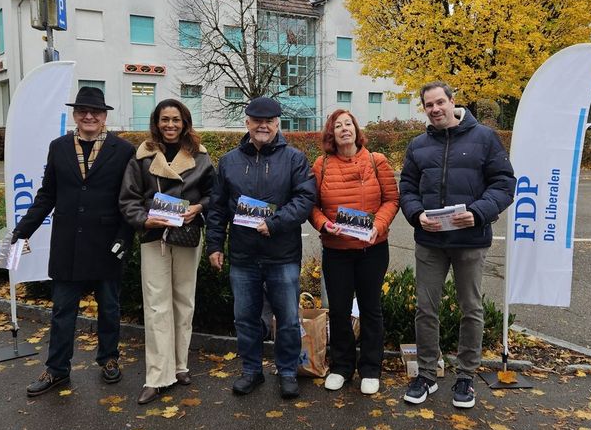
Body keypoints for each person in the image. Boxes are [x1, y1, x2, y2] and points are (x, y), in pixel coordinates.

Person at [12, 85, 135, 396]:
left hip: (108, 243)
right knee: (63, 311)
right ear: (75, 115)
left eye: (95, 112)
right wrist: (22, 229)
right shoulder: (59, 147)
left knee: (109, 307)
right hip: (68, 244)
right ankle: (57, 370)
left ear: (105, 116)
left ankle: (108, 358)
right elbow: (47, 195)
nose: (89, 116)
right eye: (83, 111)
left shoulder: (123, 150)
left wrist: (124, 238)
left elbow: (129, 199)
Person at [399, 81, 515, 409]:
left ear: (452, 102)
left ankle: (465, 377)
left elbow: (505, 183)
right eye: (428, 105)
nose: (435, 109)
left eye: (440, 102)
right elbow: (406, 187)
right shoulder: (418, 145)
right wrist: (416, 214)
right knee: (426, 309)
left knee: (471, 309)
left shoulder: (485, 138)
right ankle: (426, 374)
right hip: (430, 242)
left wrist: (478, 213)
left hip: (470, 240)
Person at [206, 96, 316, 399]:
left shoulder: (295, 159)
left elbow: (305, 200)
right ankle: (251, 371)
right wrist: (215, 244)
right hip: (243, 256)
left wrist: (275, 223)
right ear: (247, 123)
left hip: (282, 255)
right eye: (257, 120)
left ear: (277, 123)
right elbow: (217, 208)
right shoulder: (229, 161)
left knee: (288, 318)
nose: (262, 125)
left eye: (268, 121)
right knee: (245, 318)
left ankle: (289, 370)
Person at [119, 99, 215, 405]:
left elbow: (216, 194)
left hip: (187, 235)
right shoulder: (142, 156)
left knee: (184, 301)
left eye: (176, 119)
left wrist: (199, 207)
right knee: (157, 305)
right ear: (156, 122)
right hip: (154, 236)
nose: (170, 125)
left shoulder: (200, 157)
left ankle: (180, 365)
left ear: (185, 122)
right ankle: (158, 375)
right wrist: (144, 219)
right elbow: (128, 199)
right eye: (164, 120)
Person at [309, 109, 399, 395]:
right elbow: (311, 206)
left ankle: (371, 369)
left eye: (348, 124)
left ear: (356, 130)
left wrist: (380, 225)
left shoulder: (376, 161)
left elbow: (391, 199)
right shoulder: (321, 165)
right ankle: (342, 367)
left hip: (372, 249)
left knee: (371, 309)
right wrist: (324, 225)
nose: (344, 129)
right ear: (331, 133)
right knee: (338, 310)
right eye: (338, 125)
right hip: (337, 251)